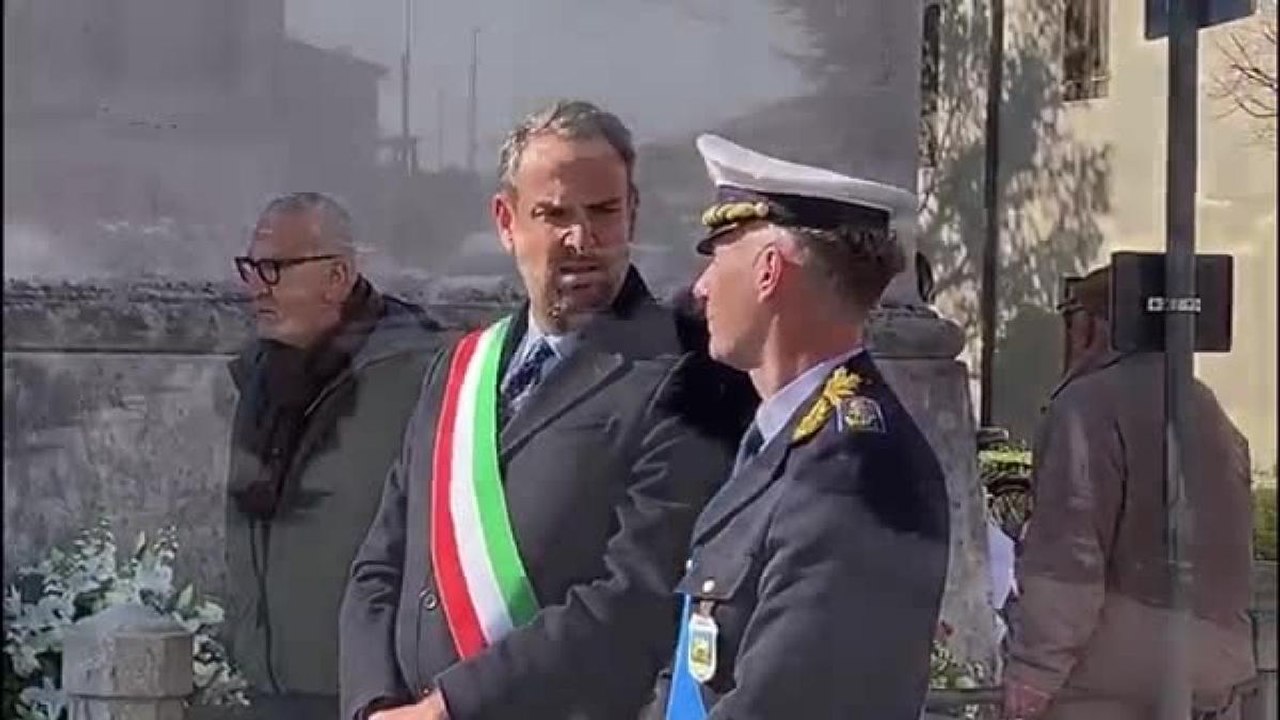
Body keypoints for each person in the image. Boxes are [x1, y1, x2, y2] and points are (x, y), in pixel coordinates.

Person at [338, 100, 734, 720]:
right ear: (506, 219)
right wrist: (372, 703)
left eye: (603, 212)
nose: (582, 240)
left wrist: (447, 710)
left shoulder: (683, 371)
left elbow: (635, 597)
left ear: (633, 210)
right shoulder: (460, 368)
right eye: (554, 214)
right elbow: (381, 559)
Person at [659, 134, 951, 719]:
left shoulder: (852, 471)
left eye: (717, 255)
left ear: (769, 271)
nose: (701, 287)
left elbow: (789, 700)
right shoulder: (787, 439)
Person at [1002, 265, 1256, 720]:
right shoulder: (1205, 405)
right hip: (1216, 663)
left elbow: (1069, 557)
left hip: (1115, 674)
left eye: (1069, 317)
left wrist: (1034, 672)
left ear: (1094, 326)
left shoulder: (1086, 406)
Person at [223, 191, 442, 718]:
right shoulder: (261, 375)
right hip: (268, 685)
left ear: (338, 277)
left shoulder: (417, 376)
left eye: (274, 268)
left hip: (369, 692)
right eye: (250, 267)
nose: (255, 288)